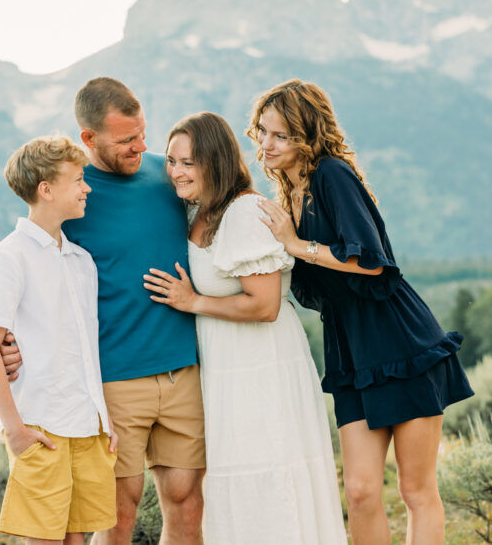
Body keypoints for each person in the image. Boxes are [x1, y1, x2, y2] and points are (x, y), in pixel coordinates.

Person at [250, 79, 475, 545]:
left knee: (416, 490)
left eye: (279, 135)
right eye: (261, 133)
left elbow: (369, 260)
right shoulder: (287, 191)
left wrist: (296, 245)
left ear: (306, 136)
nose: (266, 145)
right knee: (360, 491)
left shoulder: (331, 174)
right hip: (349, 350)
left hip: (399, 338)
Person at [2, 78, 205, 545]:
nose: (142, 146)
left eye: (142, 133)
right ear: (88, 139)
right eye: (126, 140)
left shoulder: (168, 175)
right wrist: (12, 342)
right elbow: (29, 270)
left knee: (187, 500)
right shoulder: (72, 194)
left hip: (183, 370)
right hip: (113, 377)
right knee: (118, 508)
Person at [141, 111, 347, 544]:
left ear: (214, 162)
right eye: (172, 161)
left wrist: (193, 301)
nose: (176, 172)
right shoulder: (197, 210)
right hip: (223, 362)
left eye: (188, 163)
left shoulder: (244, 212)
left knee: (268, 469)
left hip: (261, 363)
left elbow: (266, 305)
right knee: (232, 477)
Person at [0, 135, 118, 545]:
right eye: (77, 179)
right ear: (46, 189)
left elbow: (86, 349)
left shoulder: (81, 262)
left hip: (87, 426)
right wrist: (15, 429)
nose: (86, 187)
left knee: (77, 539)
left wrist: (103, 419)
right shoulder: (9, 256)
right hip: (39, 426)